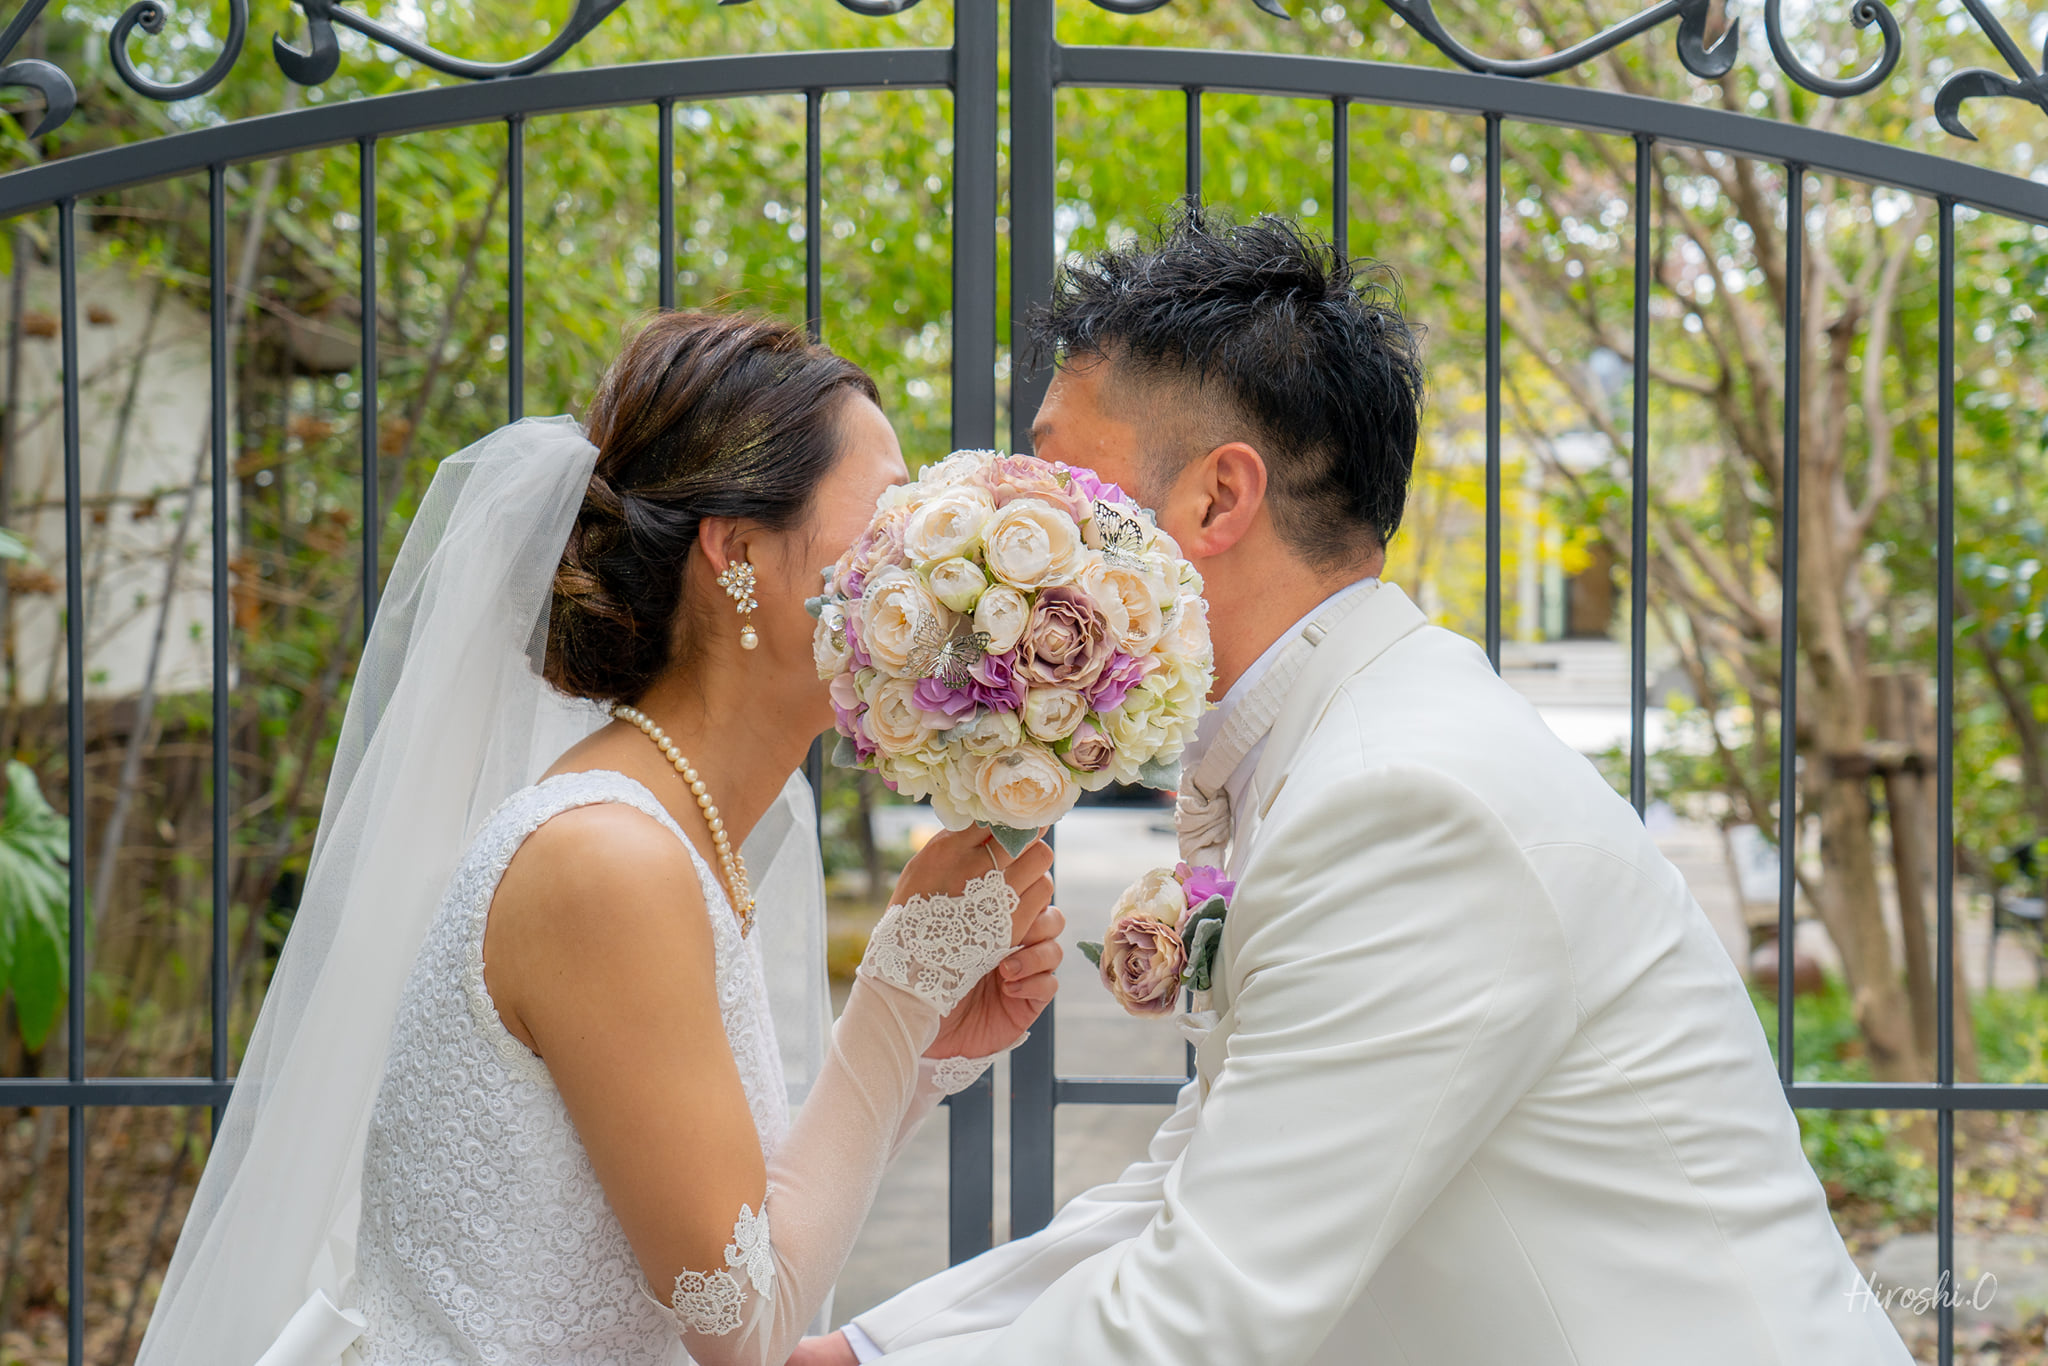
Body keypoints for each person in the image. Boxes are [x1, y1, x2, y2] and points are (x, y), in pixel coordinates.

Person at [800, 210, 1912, 1364]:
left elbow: (1201, 1310)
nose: (1013, 512)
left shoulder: (1406, 801)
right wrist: (873, 1347)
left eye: (1055, 477)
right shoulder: (1335, 743)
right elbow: (1188, 1178)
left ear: (1218, 501)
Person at [135, 312, 1064, 1366]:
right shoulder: (606, 862)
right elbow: (744, 1329)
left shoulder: (677, 830)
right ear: (739, 551)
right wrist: (895, 992)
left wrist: (921, 1049)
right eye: (888, 511)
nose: (922, 552)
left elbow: (736, 1236)